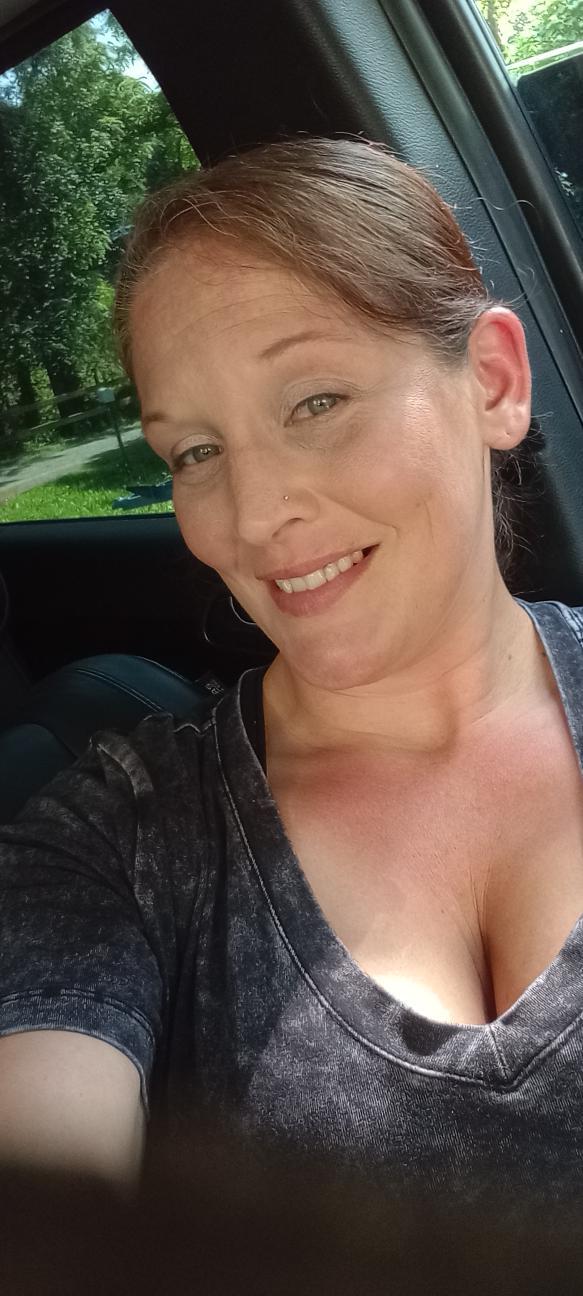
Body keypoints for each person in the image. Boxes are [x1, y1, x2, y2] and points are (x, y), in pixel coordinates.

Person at [0, 136, 582, 1217]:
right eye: (195, 453)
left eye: (315, 402)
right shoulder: (120, 833)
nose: (256, 516)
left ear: (493, 383)